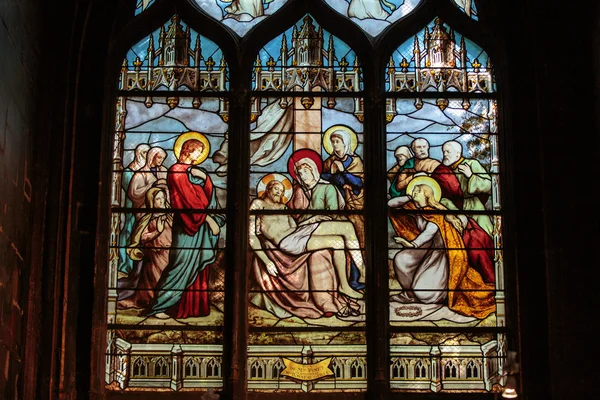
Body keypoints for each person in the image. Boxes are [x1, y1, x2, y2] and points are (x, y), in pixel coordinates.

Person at [249, 180, 361, 319]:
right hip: (287, 242)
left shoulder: (283, 208)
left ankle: (355, 277)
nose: (280, 192)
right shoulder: (258, 204)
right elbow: (251, 236)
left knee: (346, 227)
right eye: (277, 189)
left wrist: (314, 218)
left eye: (282, 191)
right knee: (336, 242)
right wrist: (267, 261)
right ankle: (345, 284)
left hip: (297, 234)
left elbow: (295, 227)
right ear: (267, 189)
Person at [388, 177, 495, 319]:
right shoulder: (414, 207)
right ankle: (409, 294)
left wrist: (411, 244)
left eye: (417, 190)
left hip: (441, 257)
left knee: (424, 293)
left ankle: (442, 293)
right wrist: (408, 196)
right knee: (401, 259)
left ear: (426, 194)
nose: (414, 192)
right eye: (413, 189)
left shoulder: (436, 214)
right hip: (426, 251)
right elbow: (390, 204)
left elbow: (427, 233)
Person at [147, 138, 224, 319]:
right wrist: (207, 219)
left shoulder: (194, 172)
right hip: (187, 226)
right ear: (187, 151)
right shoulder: (175, 171)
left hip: (200, 228)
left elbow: (207, 196)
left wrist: (205, 179)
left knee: (197, 265)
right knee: (181, 264)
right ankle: (161, 306)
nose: (199, 155)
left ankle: (194, 307)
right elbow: (187, 200)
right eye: (198, 150)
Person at [287, 149, 364, 291]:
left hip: (319, 226)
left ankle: (353, 278)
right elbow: (293, 217)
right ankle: (362, 270)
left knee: (342, 235)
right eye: (299, 173)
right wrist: (313, 217)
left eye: (304, 171)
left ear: (313, 171)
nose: (301, 176)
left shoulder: (327, 188)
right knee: (347, 227)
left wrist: (317, 217)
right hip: (304, 229)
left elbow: (333, 213)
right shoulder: (298, 191)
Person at [118, 187, 172, 309]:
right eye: (158, 199)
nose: (161, 201)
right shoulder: (148, 218)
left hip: (169, 253)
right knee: (154, 281)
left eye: (163, 197)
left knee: (168, 279)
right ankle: (154, 303)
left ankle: (166, 303)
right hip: (153, 255)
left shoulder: (171, 216)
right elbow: (142, 237)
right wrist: (156, 232)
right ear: (152, 201)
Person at [442, 140, 494, 236]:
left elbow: (490, 185)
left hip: (473, 206)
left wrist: (471, 176)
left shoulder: (472, 164)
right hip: (452, 208)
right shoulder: (444, 171)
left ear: (458, 154)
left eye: (448, 152)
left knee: (484, 235)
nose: (445, 154)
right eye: (443, 152)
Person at [118, 143, 150, 274]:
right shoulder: (128, 171)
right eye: (144, 153)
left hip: (144, 208)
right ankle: (124, 265)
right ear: (138, 154)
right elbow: (130, 191)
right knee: (128, 232)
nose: (146, 156)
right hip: (132, 208)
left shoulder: (146, 171)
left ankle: (138, 266)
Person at [322, 128, 364, 211]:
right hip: (335, 196)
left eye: (337, 141)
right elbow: (322, 177)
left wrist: (343, 171)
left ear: (345, 143)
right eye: (332, 142)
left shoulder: (355, 161)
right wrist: (332, 173)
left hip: (354, 199)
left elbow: (359, 183)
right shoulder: (330, 160)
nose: (334, 144)